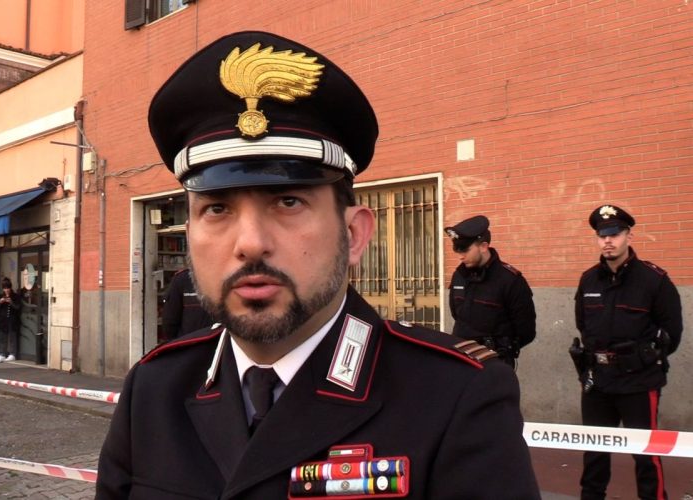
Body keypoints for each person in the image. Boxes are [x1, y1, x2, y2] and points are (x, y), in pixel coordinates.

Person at [97, 31, 539, 499]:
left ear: (354, 235)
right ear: (190, 237)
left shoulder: (455, 395)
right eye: (217, 208)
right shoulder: (153, 389)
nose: (250, 244)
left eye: (288, 201)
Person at [572, 204, 682, 500]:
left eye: (614, 234)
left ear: (628, 236)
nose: (608, 240)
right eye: (602, 235)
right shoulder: (588, 280)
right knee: (594, 453)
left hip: (638, 382)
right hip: (598, 381)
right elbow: (583, 324)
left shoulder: (653, 280)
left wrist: (642, 357)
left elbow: (672, 334)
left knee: (646, 455)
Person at [445, 215, 536, 368]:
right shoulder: (459, 276)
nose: (460, 256)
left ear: (483, 246)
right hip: (462, 360)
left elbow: (526, 330)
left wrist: (502, 349)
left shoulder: (510, 280)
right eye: (458, 250)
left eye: (465, 250)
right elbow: (457, 315)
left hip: (494, 363)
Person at [161, 267, 213, 340]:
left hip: (191, 342)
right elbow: (170, 322)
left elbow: (169, 323)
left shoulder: (182, 279)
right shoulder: (182, 279)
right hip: (191, 342)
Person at [0, 277, 21, 363]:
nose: (6, 290)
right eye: (5, 288)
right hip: (3, 320)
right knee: (2, 337)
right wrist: (0, 302)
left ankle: (12, 354)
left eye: (8, 288)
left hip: (12, 320)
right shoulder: (0, 296)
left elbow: (18, 307)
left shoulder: (15, 296)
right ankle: (2, 354)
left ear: (10, 288)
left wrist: (11, 302)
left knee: (12, 337)